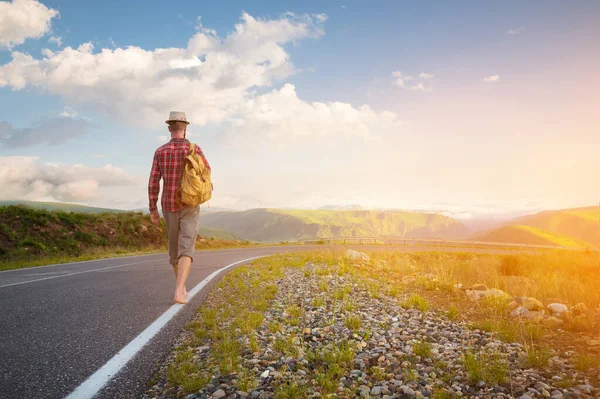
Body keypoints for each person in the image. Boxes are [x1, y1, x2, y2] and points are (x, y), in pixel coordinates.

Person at [148, 111, 211, 304]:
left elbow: (153, 181)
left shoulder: (160, 151)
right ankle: (179, 290)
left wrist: (152, 207)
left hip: (168, 204)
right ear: (185, 128)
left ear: (169, 128)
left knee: (174, 249)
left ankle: (180, 288)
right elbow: (206, 172)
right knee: (187, 247)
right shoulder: (194, 149)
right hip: (190, 202)